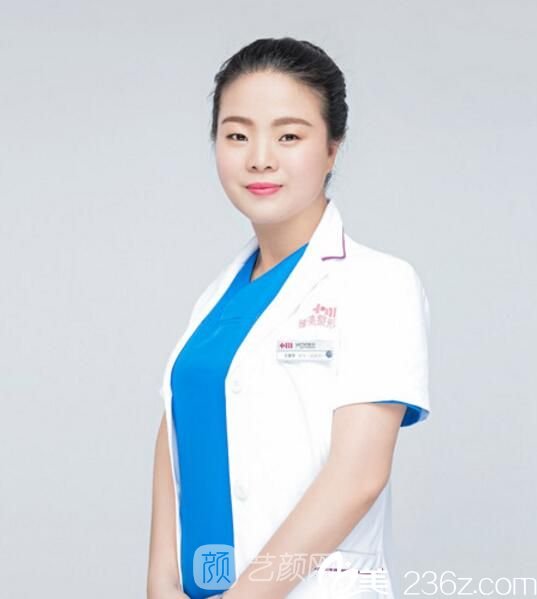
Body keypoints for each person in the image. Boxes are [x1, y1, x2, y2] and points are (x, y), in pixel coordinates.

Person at [147, 37, 431, 599]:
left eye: (289, 136)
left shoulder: (378, 283)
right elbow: (176, 434)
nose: (260, 157)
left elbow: (358, 477)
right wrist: (160, 583)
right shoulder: (217, 298)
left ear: (332, 149)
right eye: (237, 134)